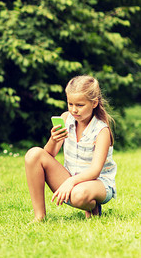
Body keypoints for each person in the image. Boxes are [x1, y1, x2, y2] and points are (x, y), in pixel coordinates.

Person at [25, 75, 117, 222]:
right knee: (33, 154)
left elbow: (95, 171)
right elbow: (48, 156)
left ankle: (92, 205)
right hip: (71, 179)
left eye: (80, 105)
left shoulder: (101, 131)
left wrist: (70, 182)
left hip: (97, 183)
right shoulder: (66, 119)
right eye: (70, 104)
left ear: (94, 103)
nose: (74, 110)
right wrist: (53, 139)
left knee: (79, 195)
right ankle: (39, 216)